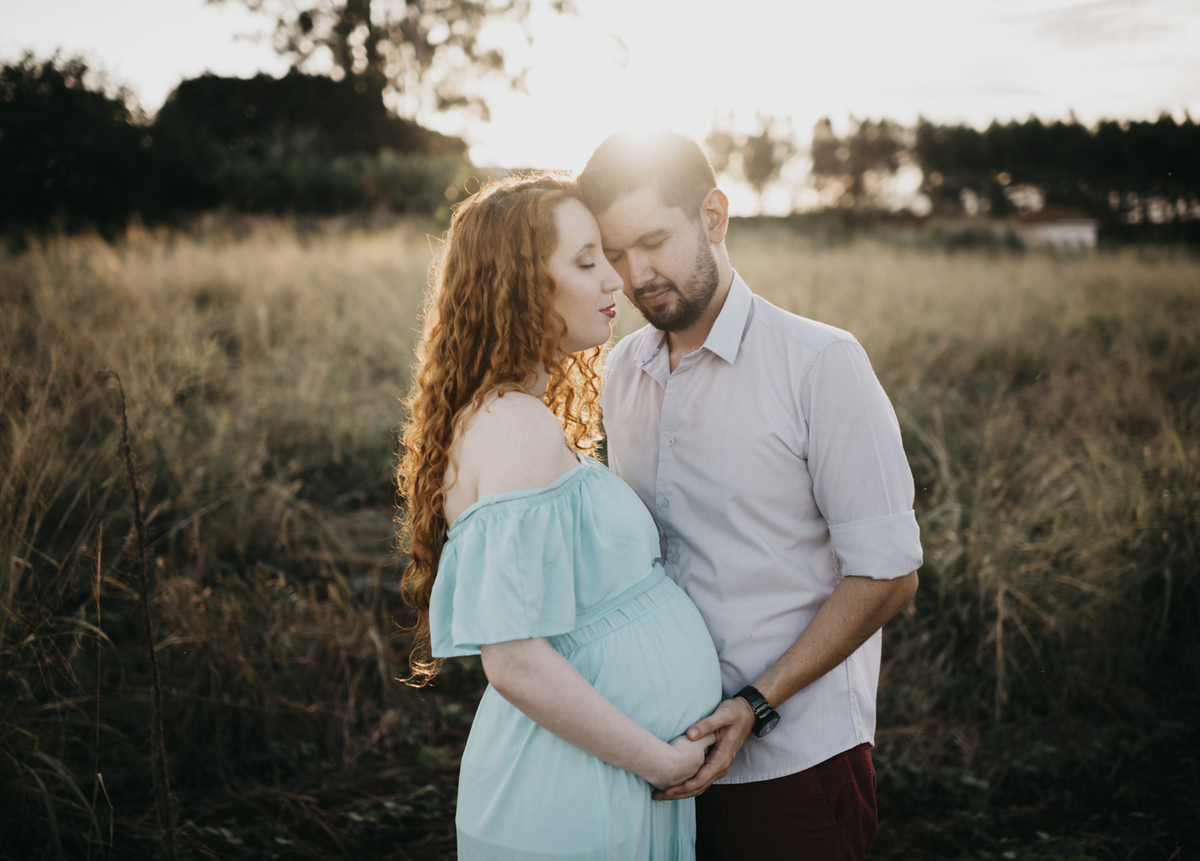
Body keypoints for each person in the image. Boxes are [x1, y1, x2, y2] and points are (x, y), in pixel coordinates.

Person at [578, 132, 923, 861]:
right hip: (659, 760)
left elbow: (888, 573)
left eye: (653, 240)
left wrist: (755, 705)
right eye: (613, 254)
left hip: (793, 764)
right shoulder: (620, 372)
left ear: (713, 216)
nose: (636, 275)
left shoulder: (821, 365)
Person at [396, 173, 724, 860]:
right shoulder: (515, 428)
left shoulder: (519, 413)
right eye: (586, 262)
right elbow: (513, 659)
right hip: (576, 797)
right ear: (519, 285)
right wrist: (661, 763)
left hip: (598, 782)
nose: (617, 280)